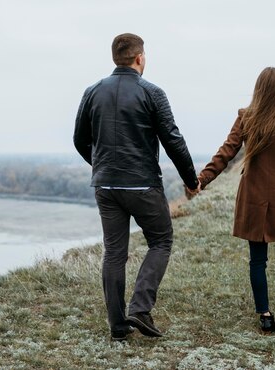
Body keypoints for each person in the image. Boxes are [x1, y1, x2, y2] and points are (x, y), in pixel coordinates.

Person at [74, 33, 199, 341]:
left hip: (105, 185)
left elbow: (79, 139)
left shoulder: (92, 92)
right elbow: (173, 140)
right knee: (161, 240)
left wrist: (101, 165)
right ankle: (140, 308)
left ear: (116, 58)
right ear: (140, 58)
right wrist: (191, 180)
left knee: (114, 252)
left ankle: (118, 327)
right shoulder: (152, 92)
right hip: (142, 184)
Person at [196, 67, 275, 332]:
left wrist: (204, 178)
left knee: (257, 259)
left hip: (253, 197)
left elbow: (226, 152)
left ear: (259, 89)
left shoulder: (246, 117)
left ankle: (265, 315)